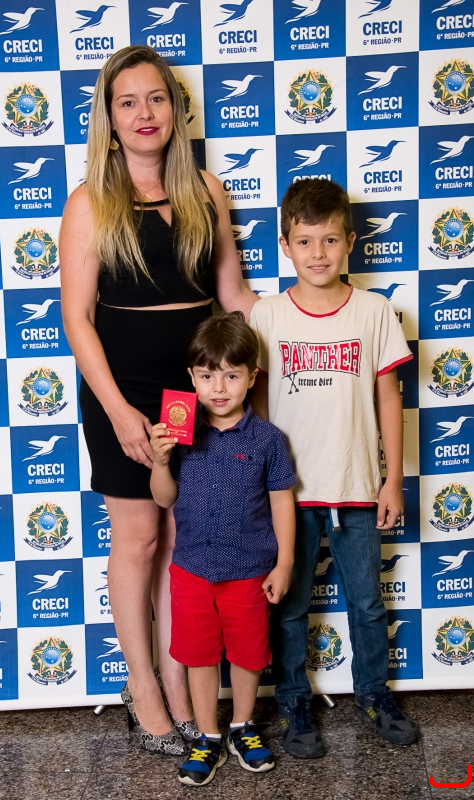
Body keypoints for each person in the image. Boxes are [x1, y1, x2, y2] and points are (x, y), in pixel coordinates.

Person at [59, 45, 258, 755]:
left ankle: (180, 688)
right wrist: (118, 411)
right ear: (109, 120)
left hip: (198, 388)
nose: (145, 113)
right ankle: (142, 691)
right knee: (140, 537)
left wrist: (308, 325)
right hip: (125, 392)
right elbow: (77, 319)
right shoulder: (90, 201)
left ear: (175, 109)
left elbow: (232, 295)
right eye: (128, 102)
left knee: (182, 542)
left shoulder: (206, 188)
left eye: (156, 98)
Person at [249, 179, 420, 759]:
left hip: (356, 485)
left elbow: (389, 396)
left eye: (329, 240)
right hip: (288, 493)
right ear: (285, 246)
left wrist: (391, 479)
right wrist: (261, 477)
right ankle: (293, 702)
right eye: (304, 241)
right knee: (290, 605)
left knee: (367, 603)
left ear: (349, 242)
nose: (317, 253)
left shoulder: (374, 311)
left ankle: (374, 695)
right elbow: (258, 400)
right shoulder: (268, 314)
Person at [150, 312, 297, 787]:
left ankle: (242, 727)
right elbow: (164, 499)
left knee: (249, 655)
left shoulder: (268, 440)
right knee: (198, 655)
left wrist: (285, 563)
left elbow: (282, 501)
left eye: (232, 376)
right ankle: (207, 735)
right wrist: (159, 462)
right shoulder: (181, 436)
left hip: (249, 570)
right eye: (207, 375)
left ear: (251, 377)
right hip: (192, 569)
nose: (219, 387)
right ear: (191, 378)